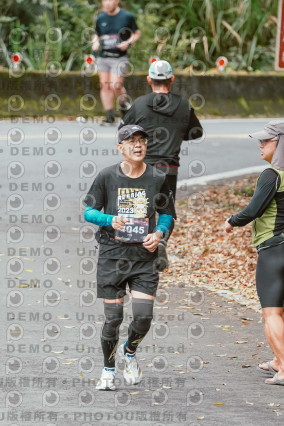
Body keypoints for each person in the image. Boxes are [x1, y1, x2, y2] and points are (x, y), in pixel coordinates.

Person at [83, 124, 174, 391]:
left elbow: (167, 213)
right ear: (120, 147)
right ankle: (108, 370)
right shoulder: (107, 176)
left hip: (144, 257)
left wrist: (159, 233)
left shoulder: (157, 177)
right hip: (112, 256)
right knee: (113, 319)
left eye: (142, 140)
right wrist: (110, 220)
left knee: (143, 317)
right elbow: (89, 211)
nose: (138, 145)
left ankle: (129, 350)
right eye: (131, 141)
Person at [224, 120, 284, 386]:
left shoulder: (271, 175)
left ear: (280, 143)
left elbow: (253, 210)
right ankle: (278, 359)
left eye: (265, 141)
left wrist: (231, 221)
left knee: (270, 312)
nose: (260, 145)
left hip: (275, 249)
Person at [120, 59, 203, 270]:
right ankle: (161, 241)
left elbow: (123, 131)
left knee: (137, 208)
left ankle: (137, 254)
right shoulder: (183, 105)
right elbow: (197, 132)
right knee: (166, 209)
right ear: (171, 79)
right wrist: (177, 133)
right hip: (169, 167)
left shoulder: (139, 104)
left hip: (142, 166)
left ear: (149, 80)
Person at [91, 0, 140, 125]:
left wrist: (127, 42)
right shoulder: (101, 17)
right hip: (103, 57)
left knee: (115, 85)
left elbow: (136, 33)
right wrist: (95, 42)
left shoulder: (127, 16)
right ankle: (110, 116)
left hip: (119, 57)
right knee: (105, 85)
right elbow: (96, 33)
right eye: (104, 0)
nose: (107, 3)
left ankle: (124, 107)